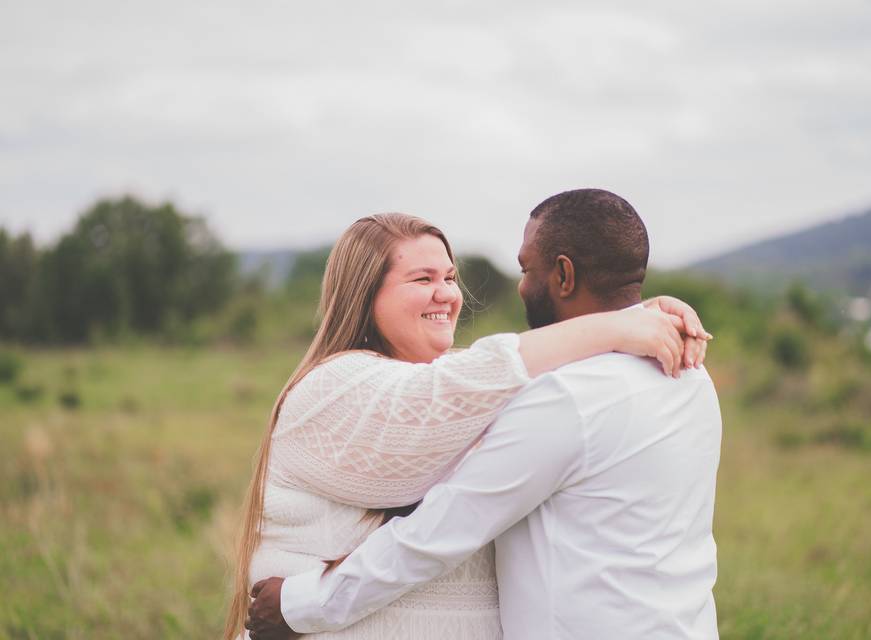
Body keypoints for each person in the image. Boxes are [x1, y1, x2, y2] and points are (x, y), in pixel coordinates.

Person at [245, 189, 722, 639]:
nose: (448, 294)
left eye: (449, 278)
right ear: (364, 295)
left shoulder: (560, 398)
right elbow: (456, 391)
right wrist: (626, 320)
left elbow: (443, 528)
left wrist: (301, 602)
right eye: (423, 279)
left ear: (564, 275)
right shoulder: (690, 376)